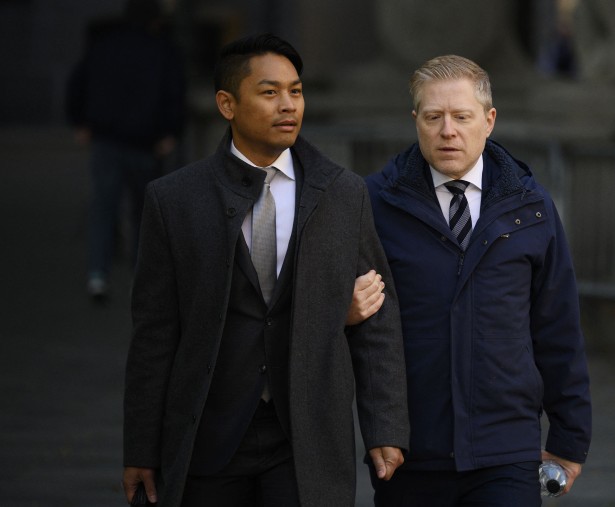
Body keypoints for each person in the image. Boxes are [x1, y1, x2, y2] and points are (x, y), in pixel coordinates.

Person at [122, 33, 409, 507]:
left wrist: (386, 426)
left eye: (296, 91)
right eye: (269, 92)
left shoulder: (342, 193)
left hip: (304, 437)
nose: (288, 105)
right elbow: (154, 333)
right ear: (227, 104)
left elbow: (377, 318)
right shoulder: (174, 199)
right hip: (208, 436)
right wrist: (140, 446)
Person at [355, 55, 592, 506]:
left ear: (489, 120)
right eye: (434, 117)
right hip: (409, 449)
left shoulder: (531, 208)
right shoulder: (374, 205)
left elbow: (557, 325)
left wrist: (570, 435)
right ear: (416, 121)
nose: (448, 130)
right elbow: (363, 335)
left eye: (462, 117)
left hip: (505, 448)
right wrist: (380, 426)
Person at [66, 0, 186, 300]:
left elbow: (77, 83)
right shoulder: (163, 50)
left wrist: (80, 122)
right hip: (147, 142)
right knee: (143, 214)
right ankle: (141, 277)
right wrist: (171, 132)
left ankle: (97, 276)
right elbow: (174, 93)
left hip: (106, 140)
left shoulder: (104, 45)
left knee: (103, 208)